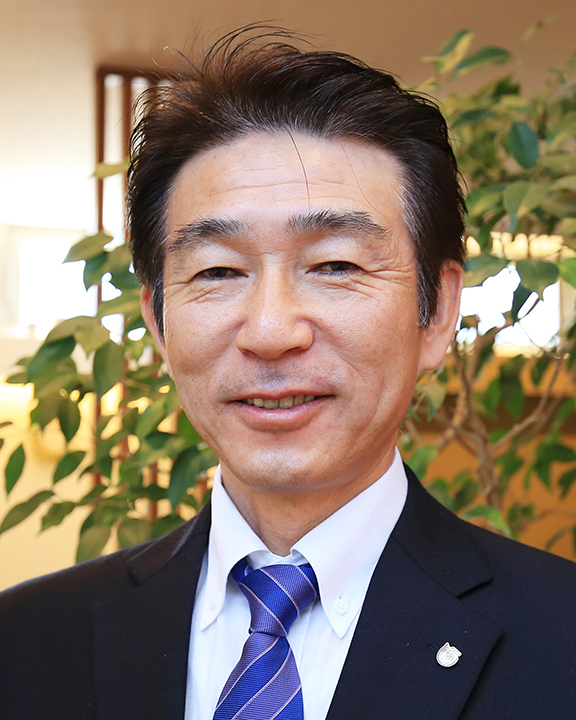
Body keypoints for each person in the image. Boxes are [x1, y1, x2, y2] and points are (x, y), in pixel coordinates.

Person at [1, 27, 576, 720]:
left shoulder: (561, 637)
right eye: (217, 271)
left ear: (438, 312)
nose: (271, 332)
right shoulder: (26, 643)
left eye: (335, 264)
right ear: (158, 322)